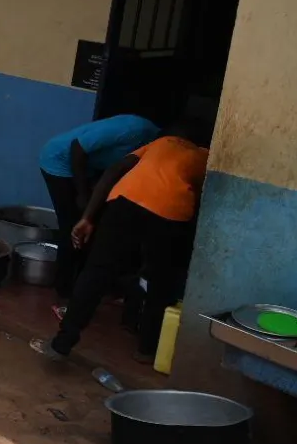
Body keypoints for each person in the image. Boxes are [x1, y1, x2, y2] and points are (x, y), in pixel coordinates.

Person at [44, 120, 210, 361]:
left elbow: (113, 171)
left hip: (124, 202)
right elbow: (201, 196)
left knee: (97, 271)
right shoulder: (204, 157)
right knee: (160, 281)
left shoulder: (158, 144)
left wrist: (88, 217)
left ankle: (62, 343)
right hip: (171, 214)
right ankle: (147, 350)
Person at [37, 114, 161, 302]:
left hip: (88, 168)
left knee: (93, 224)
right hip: (59, 161)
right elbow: (77, 147)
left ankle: (86, 284)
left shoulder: (152, 147)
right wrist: (82, 193)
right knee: (72, 225)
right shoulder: (135, 130)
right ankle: (64, 288)